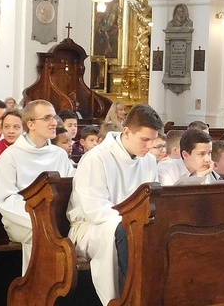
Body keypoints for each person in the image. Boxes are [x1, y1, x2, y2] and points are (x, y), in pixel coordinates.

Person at [67, 103, 163, 304]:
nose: (148, 146)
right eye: (144, 140)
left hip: (131, 225)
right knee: (124, 230)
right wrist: (133, 220)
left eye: (153, 141)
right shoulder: (96, 158)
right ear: (126, 131)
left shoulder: (148, 161)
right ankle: (134, 297)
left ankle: (158, 293)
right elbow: (94, 209)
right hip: (91, 228)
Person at [0, 101, 74, 272]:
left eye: (54, 117)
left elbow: (70, 188)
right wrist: (39, 218)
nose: (54, 123)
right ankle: (35, 288)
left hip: (56, 217)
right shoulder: (11, 157)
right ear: (31, 124)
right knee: (42, 234)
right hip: (21, 221)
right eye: (47, 118)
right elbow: (5, 199)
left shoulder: (59, 154)